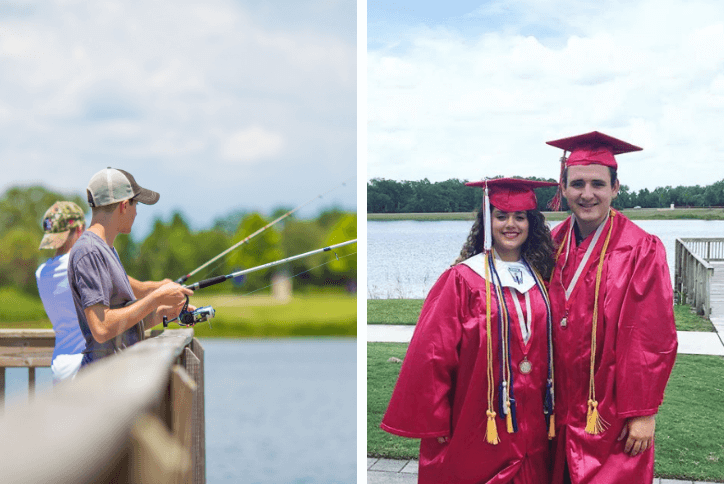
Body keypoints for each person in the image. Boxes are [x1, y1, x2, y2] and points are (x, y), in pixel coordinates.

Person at [381, 178, 559, 484]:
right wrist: (436, 424)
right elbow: (433, 354)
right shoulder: (463, 280)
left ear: (532, 224)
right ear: (488, 221)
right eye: (501, 216)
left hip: (534, 424)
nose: (510, 225)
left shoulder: (541, 278)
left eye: (520, 217)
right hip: (479, 419)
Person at [545, 131, 678, 484]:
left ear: (615, 188)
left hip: (610, 408)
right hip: (554, 403)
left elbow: (650, 337)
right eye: (577, 184)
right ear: (564, 187)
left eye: (598, 184)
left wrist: (644, 412)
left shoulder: (641, 249)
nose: (587, 194)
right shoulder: (549, 244)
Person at [68, 167, 193, 367]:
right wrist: (154, 299)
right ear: (124, 205)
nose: (136, 212)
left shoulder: (105, 249)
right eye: (136, 204)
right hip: (101, 378)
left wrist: (164, 314)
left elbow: (120, 324)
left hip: (115, 372)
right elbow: (101, 328)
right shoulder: (89, 251)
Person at [35, 201, 87, 383]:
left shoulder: (41, 273)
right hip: (86, 370)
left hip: (59, 369)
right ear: (80, 229)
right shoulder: (82, 265)